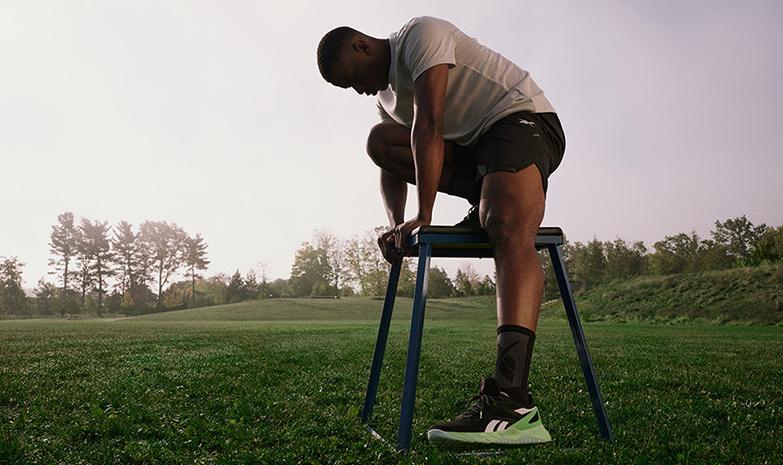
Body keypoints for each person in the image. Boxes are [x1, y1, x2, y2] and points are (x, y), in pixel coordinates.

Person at [317, 16, 565, 450]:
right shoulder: (386, 98)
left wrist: (424, 213)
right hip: (476, 152)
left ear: (361, 46)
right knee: (380, 141)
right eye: (349, 89)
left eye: (353, 79)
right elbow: (394, 158)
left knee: (506, 228)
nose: (358, 90)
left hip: (519, 120)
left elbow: (429, 124)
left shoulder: (419, 36)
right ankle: (485, 200)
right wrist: (396, 223)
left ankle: (512, 402)